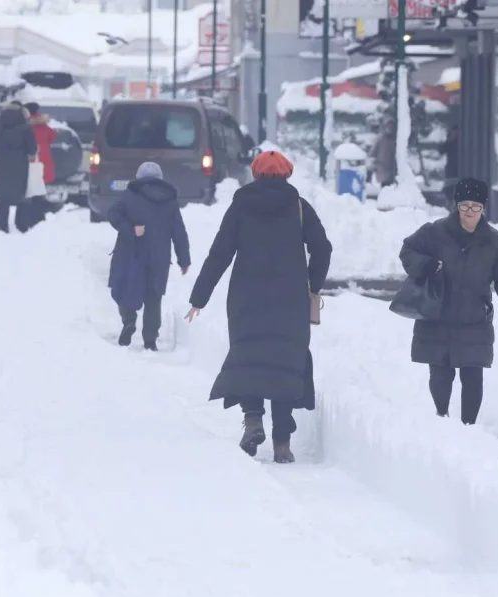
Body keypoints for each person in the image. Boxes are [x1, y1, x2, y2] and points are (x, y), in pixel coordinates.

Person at [186, 151, 332, 464]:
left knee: (250, 357)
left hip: (247, 298)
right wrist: (314, 285)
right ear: (287, 174)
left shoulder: (241, 206)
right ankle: (282, 442)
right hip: (289, 300)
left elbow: (220, 253)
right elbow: (323, 247)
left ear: (255, 174)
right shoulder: (299, 207)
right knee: (284, 362)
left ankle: (253, 420)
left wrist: (199, 297)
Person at [398, 178, 498, 426]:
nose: (470, 212)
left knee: (473, 375)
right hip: (437, 317)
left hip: (474, 319)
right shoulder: (434, 232)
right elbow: (408, 250)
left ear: (483, 207)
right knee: (440, 374)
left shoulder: (493, 241)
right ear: (456, 206)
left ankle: (469, 427)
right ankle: (442, 418)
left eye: (475, 206)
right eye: (464, 205)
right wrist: (426, 265)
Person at [107, 162, 191, 351]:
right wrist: (184, 260)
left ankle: (129, 321)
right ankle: (150, 340)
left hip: (131, 253)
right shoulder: (170, 201)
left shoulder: (131, 195)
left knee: (125, 288)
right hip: (158, 257)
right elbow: (179, 232)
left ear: (139, 177)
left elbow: (113, 214)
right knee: (154, 297)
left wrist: (129, 229)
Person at [0, 103, 37, 233]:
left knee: (3, 196)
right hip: (20, 164)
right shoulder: (25, 126)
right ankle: (21, 225)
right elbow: (32, 148)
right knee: (21, 194)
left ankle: (1, 226)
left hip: (1, 163)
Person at [20, 101, 57, 231]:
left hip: (31, 163)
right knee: (39, 193)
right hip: (44, 163)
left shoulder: (25, 126)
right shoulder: (43, 125)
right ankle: (39, 219)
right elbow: (53, 136)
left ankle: (30, 219)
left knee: (29, 193)